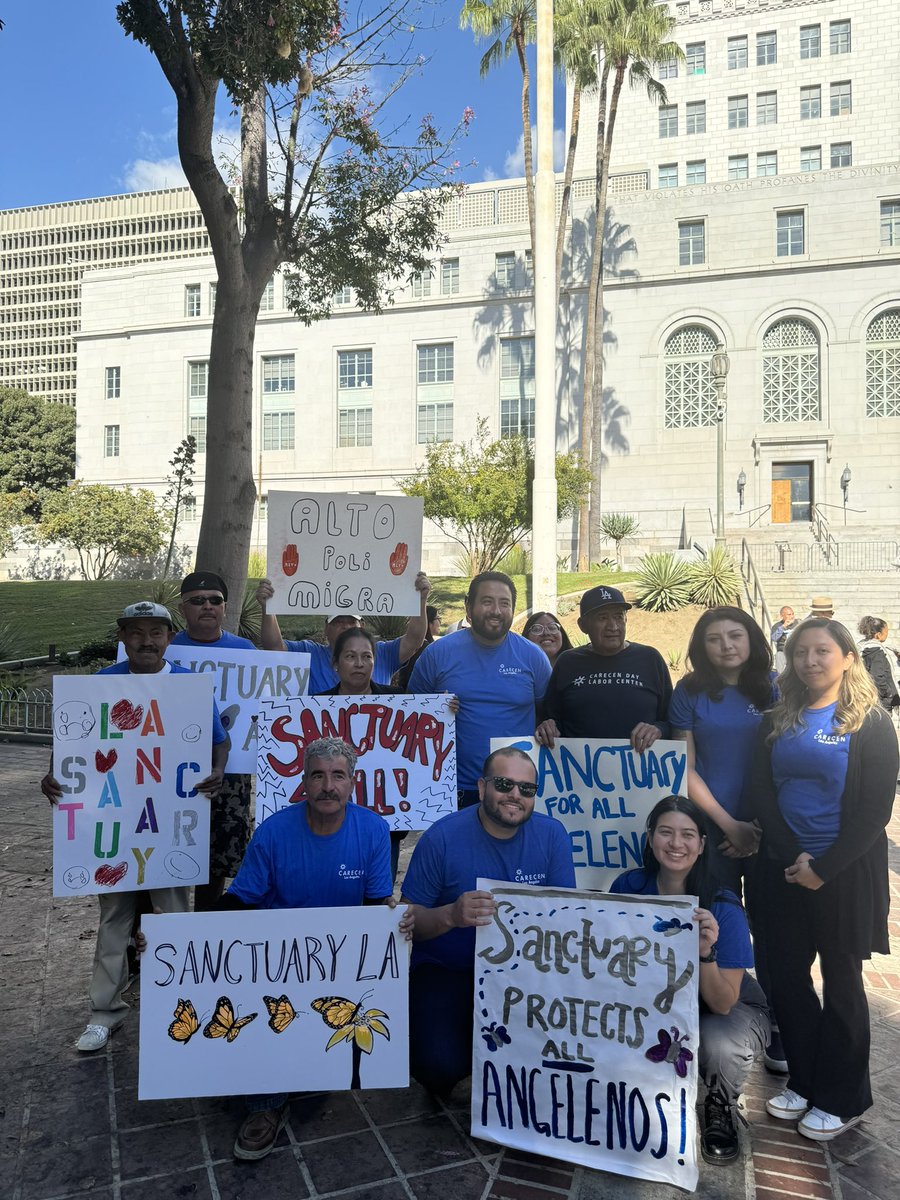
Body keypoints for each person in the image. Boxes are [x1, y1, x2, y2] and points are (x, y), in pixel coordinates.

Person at [40, 601, 228, 1052]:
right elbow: (73, 744)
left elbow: (219, 740)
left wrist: (217, 773)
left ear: (169, 637)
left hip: (167, 829)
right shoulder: (101, 685)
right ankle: (105, 1012)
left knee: (177, 917)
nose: (147, 640)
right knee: (114, 920)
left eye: (157, 632)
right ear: (122, 638)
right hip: (116, 829)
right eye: (137, 632)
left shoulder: (189, 687)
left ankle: (189, 1003)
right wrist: (53, 774)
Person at [214, 737, 409, 1160]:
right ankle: (265, 1106)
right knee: (261, 1013)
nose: (328, 786)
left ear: (352, 782)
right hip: (277, 961)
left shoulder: (374, 830)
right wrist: (180, 934)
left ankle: (323, 1059)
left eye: (338, 775)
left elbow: (375, 906)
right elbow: (239, 900)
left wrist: (393, 919)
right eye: (318, 775)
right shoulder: (274, 830)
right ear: (304, 781)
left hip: (337, 961)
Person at [748, 619, 898, 1141]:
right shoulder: (778, 719)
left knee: (841, 985)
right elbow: (762, 791)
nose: (810, 660)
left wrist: (823, 868)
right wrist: (795, 858)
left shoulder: (871, 723)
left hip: (844, 874)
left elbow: (875, 811)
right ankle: (807, 1080)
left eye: (822, 651)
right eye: (800, 652)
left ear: (848, 657)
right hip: (784, 868)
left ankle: (844, 1096)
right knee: (786, 979)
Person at [401, 747, 576, 1097]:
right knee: (436, 1068)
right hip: (448, 967)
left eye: (527, 789)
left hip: (524, 974)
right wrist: (450, 915)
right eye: (504, 784)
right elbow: (407, 921)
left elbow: (565, 917)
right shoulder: (442, 837)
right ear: (481, 788)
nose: (516, 795)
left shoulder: (553, 835)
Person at [610, 796, 770, 1165]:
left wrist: (704, 954)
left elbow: (722, 1003)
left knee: (718, 1038)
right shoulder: (628, 887)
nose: (676, 844)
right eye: (666, 832)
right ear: (650, 839)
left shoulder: (723, 906)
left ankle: (719, 1105)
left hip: (726, 1005)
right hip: (662, 997)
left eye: (687, 835)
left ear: (701, 844)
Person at [407, 572, 551, 807]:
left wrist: (549, 723)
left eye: (504, 603)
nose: (496, 610)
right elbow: (409, 715)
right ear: (468, 606)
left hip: (515, 790)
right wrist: (434, 709)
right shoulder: (437, 654)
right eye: (487, 601)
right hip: (453, 789)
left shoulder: (533, 657)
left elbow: (549, 713)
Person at [172, 570, 255, 909]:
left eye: (215, 600)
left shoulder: (247, 650)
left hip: (232, 771)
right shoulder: (167, 647)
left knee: (219, 854)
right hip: (171, 768)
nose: (207, 606)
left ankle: (204, 919)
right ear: (182, 608)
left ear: (224, 606)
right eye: (197, 600)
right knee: (171, 842)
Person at [535, 585, 672, 753]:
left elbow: (671, 720)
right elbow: (551, 718)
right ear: (583, 625)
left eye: (618, 616)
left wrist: (658, 730)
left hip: (639, 773)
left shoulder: (650, 659)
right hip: (579, 772)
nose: (613, 626)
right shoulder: (568, 662)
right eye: (602, 618)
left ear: (626, 619)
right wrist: (548, 727)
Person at [254, 572, 431, 693]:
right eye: (338, 622)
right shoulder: (309, 654)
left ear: (362, 625)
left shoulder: (382, 653)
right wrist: (268, 607)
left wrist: (421, 600)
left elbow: (413, 641)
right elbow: (274, 647)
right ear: (326, 628)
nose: (345, 626)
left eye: (351, 621)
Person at [857, 616, 900, 711]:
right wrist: (887, 694)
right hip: (881, 702)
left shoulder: (863, 645)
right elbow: (877, 676)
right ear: (878, 635)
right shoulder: (874, 650)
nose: (887, 634)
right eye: (886, 632)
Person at [394, 604, 440, 690]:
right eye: (438, 618)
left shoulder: (419, 646)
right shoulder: (424, 648)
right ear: (429, 622)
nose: (440, 622)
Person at [770, 605, 798, 672]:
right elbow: (774, 638)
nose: (792, 616)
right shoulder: (777, 626)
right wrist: (783, 627)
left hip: (796, 650)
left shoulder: (798, 623)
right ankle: (781, 679)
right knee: (778, 655)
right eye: (789, 614)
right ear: (782, 616)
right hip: (783, 651)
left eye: (792, 614)